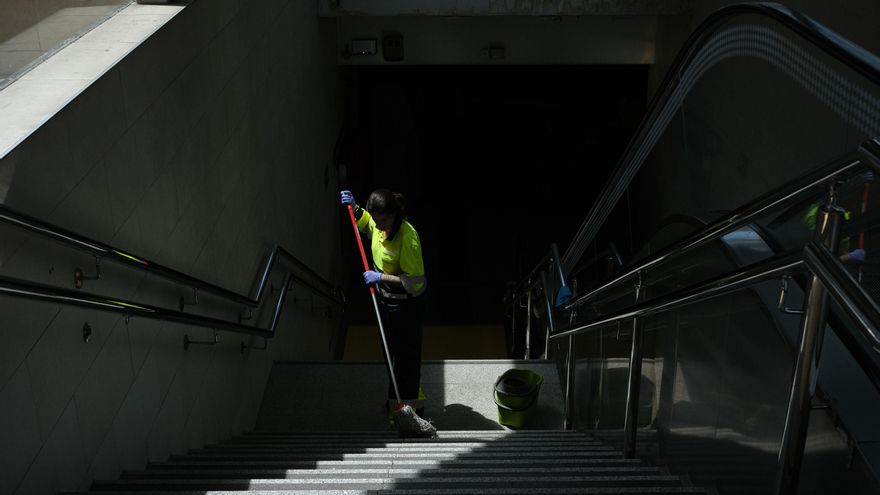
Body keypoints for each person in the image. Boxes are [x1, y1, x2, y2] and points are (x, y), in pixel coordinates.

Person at [340, 188, 428, 417]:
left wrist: (380, 277)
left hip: (405, 307)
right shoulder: (379, 226)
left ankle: (404, 409)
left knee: (406, 357)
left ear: (395, 216)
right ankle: (408, 395)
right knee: (391, 354)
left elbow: (416, 283)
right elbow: (368, 224)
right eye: (376, 218)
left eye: (384, 220)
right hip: (384, 301)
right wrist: (356, 209)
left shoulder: (408, 239)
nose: (378, 225)